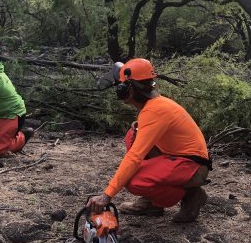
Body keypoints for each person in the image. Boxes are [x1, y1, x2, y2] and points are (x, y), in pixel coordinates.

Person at [86, 58, 211, 224]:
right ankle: (151, 203)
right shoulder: (153, 107)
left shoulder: (154, 110)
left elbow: (135, 157)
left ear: (127, 89)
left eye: (121, 86)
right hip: (181, 158)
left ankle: (191, 195)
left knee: (133, 181)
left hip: (193, 167)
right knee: (134, 133)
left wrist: (106, 195)